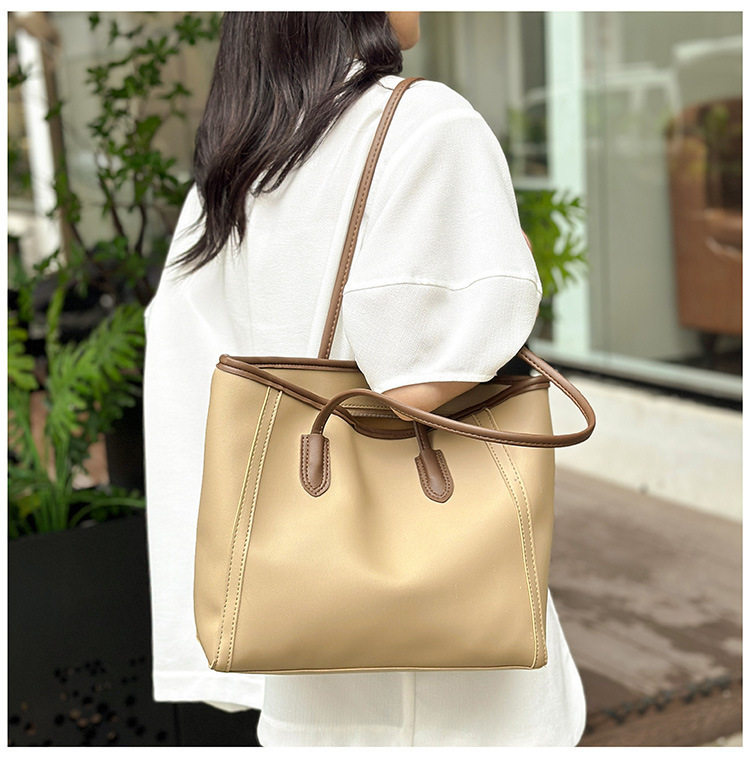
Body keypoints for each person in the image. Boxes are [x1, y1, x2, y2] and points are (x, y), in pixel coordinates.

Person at [143, 10, 587, 747]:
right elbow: (414, 379)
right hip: (454, 682)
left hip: (301, 659)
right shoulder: (424, 125)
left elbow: (189, 387)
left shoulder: (234, 169)